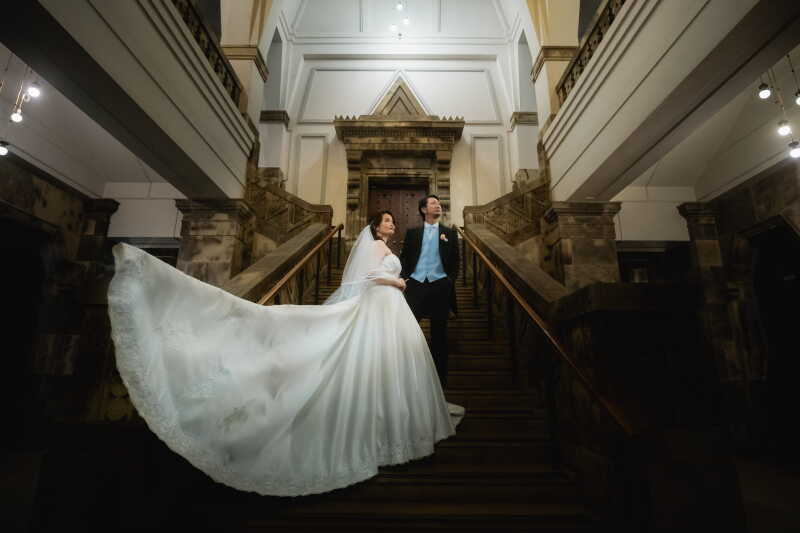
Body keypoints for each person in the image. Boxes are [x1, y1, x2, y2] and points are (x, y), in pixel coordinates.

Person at [107, 210, 463, 497]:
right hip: (383, 303)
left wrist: (396, 284)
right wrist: (396, 281)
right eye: (386, 221)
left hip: (392, 310)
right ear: (375, 226)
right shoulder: (374, 247)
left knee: (395, 366)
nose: (391, 225)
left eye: (392, 222)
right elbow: (370, 277)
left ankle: (401, 428)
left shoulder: (389, 247)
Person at [399, 195, 459, 388]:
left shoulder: (449, 233)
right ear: (424, 210)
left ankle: (440, 380)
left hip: (440, 286)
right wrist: (407, 278)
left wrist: (448, 282)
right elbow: (405, 258)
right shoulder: (412, 233)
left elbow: (455, 262)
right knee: (408, 332)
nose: (438, 205)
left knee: (439, 335)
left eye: (439, 203)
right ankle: (405, 374)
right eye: (433, 203)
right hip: (415, 286)